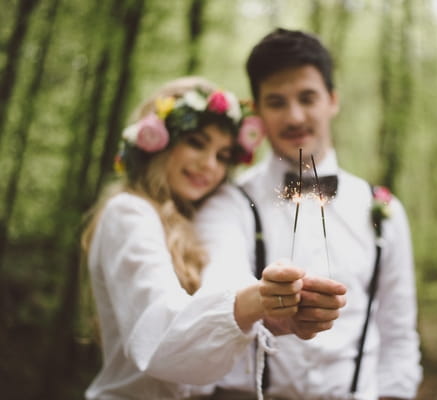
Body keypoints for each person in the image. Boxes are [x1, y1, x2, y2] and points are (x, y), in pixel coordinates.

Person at [81, 76, 347, 399]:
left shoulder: (192, 222)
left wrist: (274, 316)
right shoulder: (128, 213)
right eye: (196, 142)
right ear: (158, 143)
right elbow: (161, 333)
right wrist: (258, 299)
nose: (209, 165)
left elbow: (212, 317)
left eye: (222, 156)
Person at [194, 29, 422, 400]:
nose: (295, 115)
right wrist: (263, 299)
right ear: (258, 112)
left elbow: (398, 331)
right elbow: (219, 286)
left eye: (307, 98)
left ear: (332, 100)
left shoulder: (384, 210)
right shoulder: (230, 203)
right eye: (277, 102)